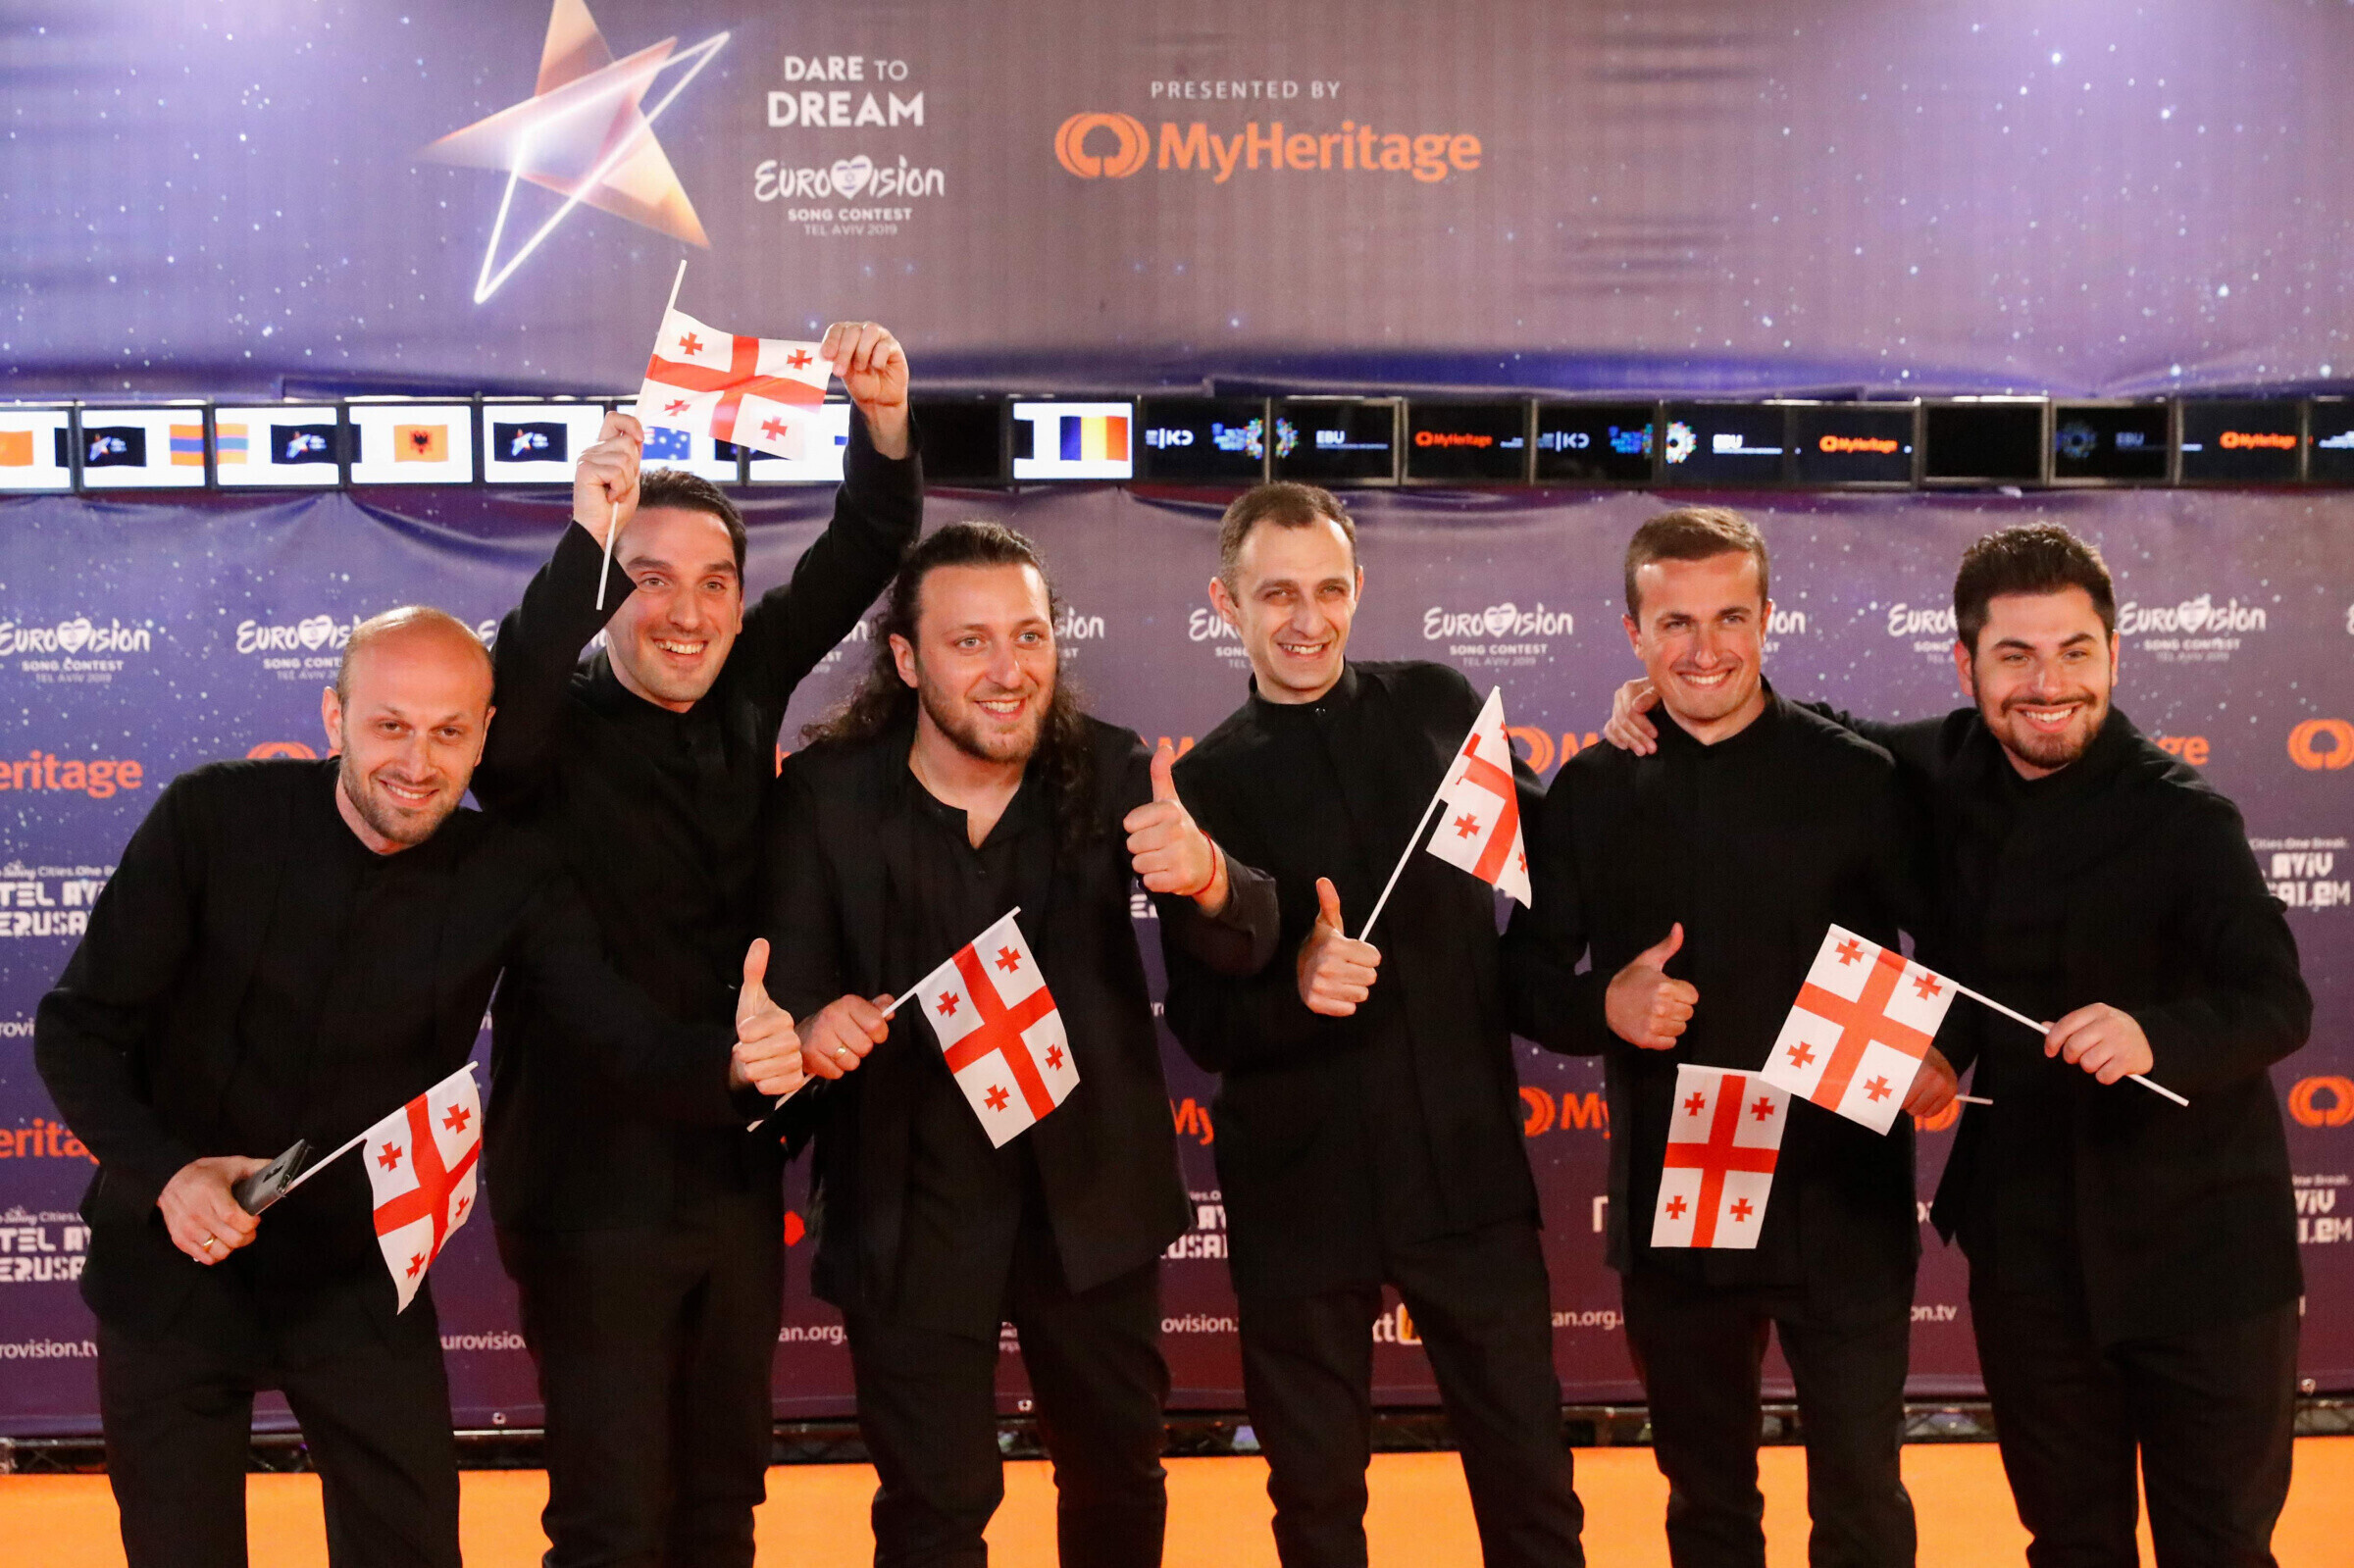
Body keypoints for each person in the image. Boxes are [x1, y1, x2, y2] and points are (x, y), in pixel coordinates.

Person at [1604, 523, 2311, 1567]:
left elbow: (2278, 1002)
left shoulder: (2188, 819)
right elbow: (1779, 723)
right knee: (2070, 1543)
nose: (2047, 686)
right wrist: (1661, 695)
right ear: (1965, 663)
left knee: (2219, 1547)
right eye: (2015, 655)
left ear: (2115, 654)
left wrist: (2152, 1035)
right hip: (2029, 1251)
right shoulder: (1933, 764)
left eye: (2074, 652)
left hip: (2201, 1258)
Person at [34, 608, 802, 1568]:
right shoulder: (212, 816)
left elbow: (619, 1037)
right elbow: (76, 1029)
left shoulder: (509, 868)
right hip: (171, 1267)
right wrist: (168, 1174)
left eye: (448, 732)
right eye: (390, 725)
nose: (418, 761)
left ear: (485, 736)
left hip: (358, 1279)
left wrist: (733, 1063)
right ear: (335, 719)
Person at [469, 323, 921, 1567]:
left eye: (716, 581)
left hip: (731, 1171)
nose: (689, 611)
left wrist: (882, 418)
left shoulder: (745, 683)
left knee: (722, 1505)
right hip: (588, 1182)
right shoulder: (542, 731)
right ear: (607, 592)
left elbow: (867, 541)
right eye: (650, 578)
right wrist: (587, 534)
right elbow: (511, 703)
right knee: (612, 1524)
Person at [760, 521, 1278, 1567]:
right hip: (906, 1206)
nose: (1009, 671)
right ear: (906, 659)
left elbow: (1246, 942)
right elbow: (791, 992)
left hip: (1090, 1201)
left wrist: (1211, 877)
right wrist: (812, 1028)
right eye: (971, 642)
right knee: (933, 1510)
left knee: (1116, 1480)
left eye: (1030, 636)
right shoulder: (825, 794)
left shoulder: (1117, 769)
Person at [1156, 482, 1585, 1568]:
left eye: (1330, 589)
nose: (1309, 619)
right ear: (1226, 603)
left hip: (1468, 1174)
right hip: (1301, 1198)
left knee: (1533, 1486)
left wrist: (1630, 742)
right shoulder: (1199, 788)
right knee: (1316, 1508)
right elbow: (1199, 1022)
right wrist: (1296, 991)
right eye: (1277, 594)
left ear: (1359, 588)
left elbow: (1559, 848)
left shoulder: (1439, 703)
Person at [1501, 507, 1931, 1568]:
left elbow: (1957, 948)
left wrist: (1940, 1052)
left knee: (1864, 1501)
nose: (1705, 649)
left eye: (1730, 617)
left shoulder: (1858, 775)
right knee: (1707, 1506)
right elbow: (1522, 978)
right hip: (1682, 1195)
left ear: (1768, 617)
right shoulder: (1593, 790)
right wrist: (1604, 1007)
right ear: (1633, 633)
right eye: (1676, 623)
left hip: (1843, 1191)